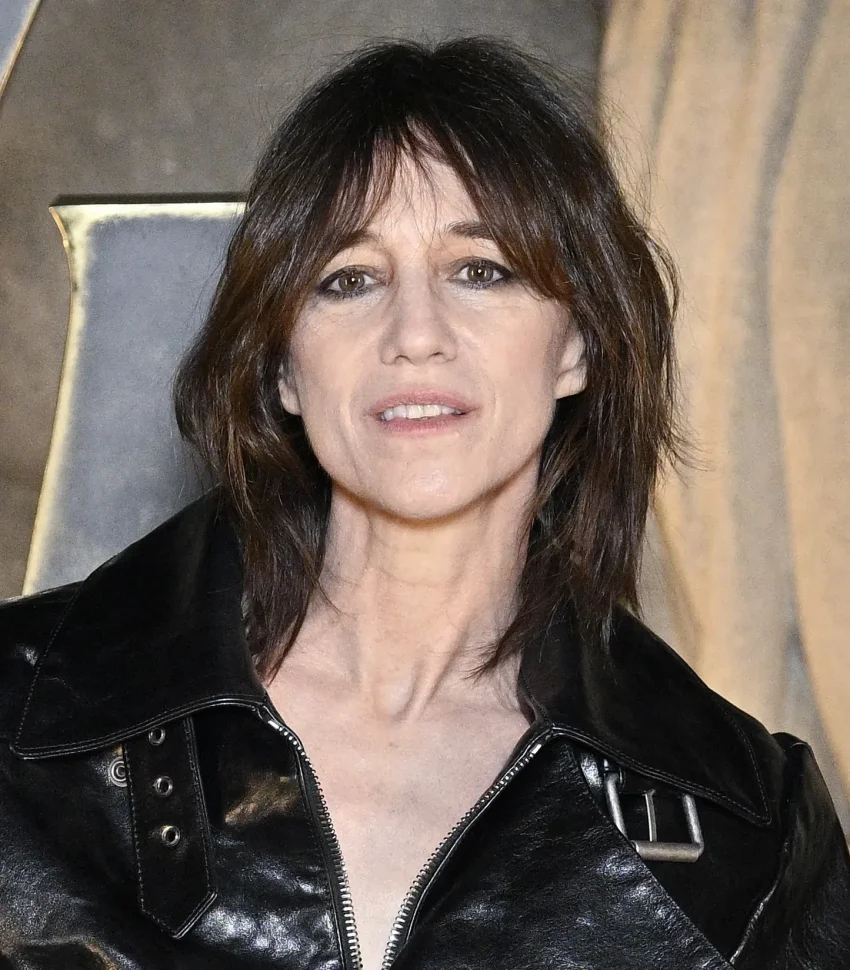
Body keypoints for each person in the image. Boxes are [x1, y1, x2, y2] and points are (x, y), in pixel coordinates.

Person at [1, 35, 848, 970]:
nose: (415, 333)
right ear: (285, 368)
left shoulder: (749, 840)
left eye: (481, 270)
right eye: (349, 280)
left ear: (577, 345)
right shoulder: (17, 720)